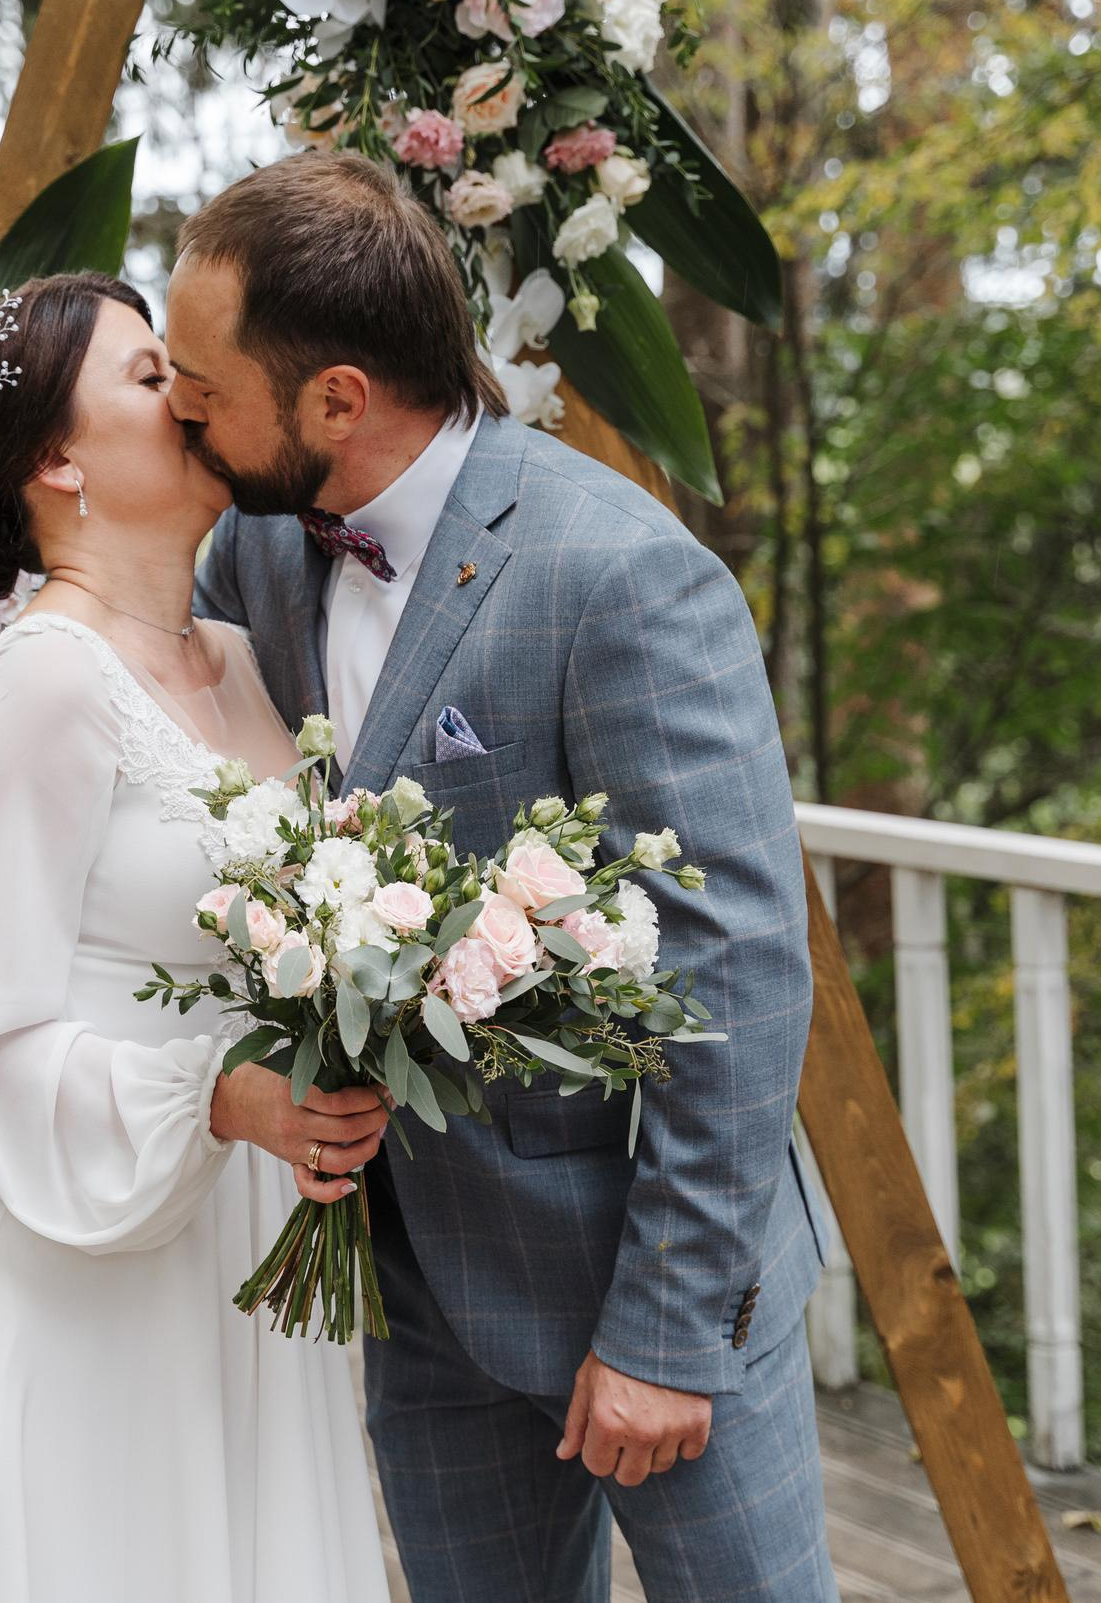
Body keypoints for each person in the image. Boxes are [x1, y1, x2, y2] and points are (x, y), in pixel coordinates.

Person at [168, 153, 836, 1603]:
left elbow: (737, 970)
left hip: (645, 1287)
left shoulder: (620, 574)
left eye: (202, 388)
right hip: (421, 1288)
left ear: (336, 399)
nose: (179, 412)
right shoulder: (260, 555)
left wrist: (662, 1332)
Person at [0, 271, 394, 1602]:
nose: (190, 393)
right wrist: (218, 1099)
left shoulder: (233, 658)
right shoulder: (45, 681)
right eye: (147, 374)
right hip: (55, 1287)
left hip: (218, 1261)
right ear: (58, 459)